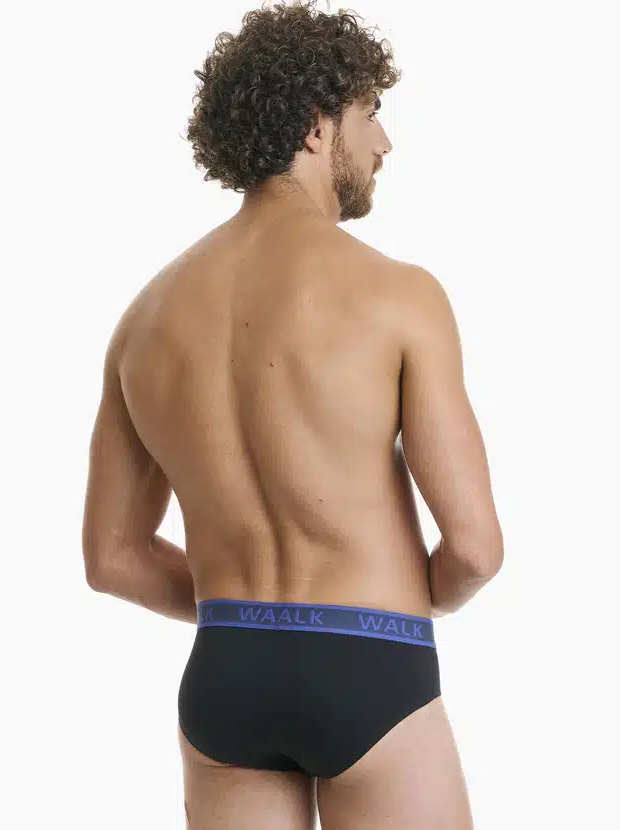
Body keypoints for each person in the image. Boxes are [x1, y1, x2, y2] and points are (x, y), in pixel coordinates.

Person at [81, 1, 504, 827]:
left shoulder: (144, 318)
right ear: (315, 126)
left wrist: (255, 622)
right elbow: (475, 549)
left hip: (226, 672)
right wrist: (401, 604)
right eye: (370, 113)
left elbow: (113, 558)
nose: (384, 143)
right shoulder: (398, 294)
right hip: (372, 667)